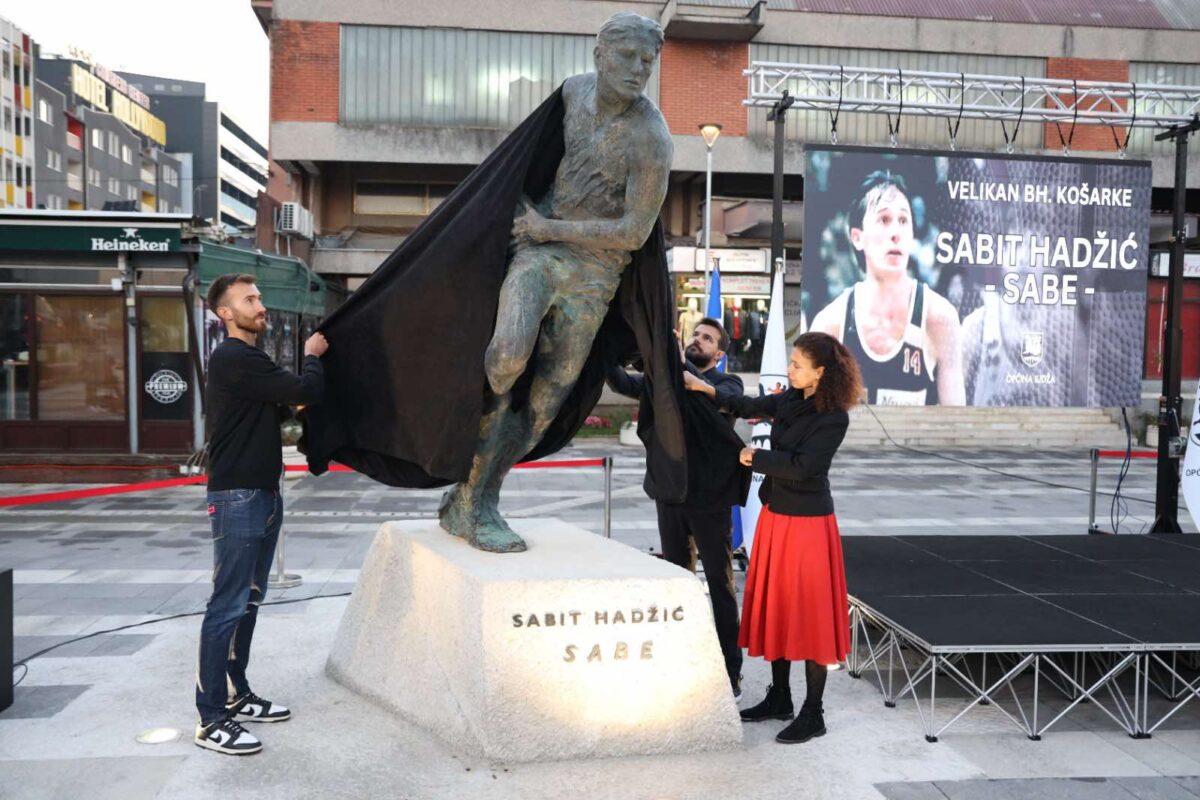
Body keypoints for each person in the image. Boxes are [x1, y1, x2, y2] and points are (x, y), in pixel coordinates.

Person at [436, 11, 673, 552]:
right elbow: (530, 156)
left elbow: (635, 231)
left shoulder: (651, 137)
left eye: (647, 60)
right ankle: (473, 492)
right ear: (599, 53)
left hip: (593, 275)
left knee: (545, 406)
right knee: (505, 355)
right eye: (627, 56)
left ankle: (477, 496)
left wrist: (550, 225)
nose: (638, 69)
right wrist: (523, 217)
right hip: (539, 253)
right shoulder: (571, 94)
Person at [684, 331, 862, 744]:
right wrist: (702, 386)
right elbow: (749, 405)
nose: (791, 369)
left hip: (808, 525)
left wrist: (755, 457)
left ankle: (813, 712)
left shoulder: (834, 416)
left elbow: (806, 467)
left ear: (821, 372)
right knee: (780, 608)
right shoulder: (791, 398)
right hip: (777, 516)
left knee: (811, 618)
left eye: (799, 364)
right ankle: (779, 697)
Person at [194, 273, 329, 756]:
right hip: (238, 497)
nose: (260, 304)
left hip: (262, 493)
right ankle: (211, 720)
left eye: (259, 296)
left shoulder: (249, 361)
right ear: (225, 314)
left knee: (248, 601)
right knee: (227, 604)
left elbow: (287, 404)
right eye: (249, 299)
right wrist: (313, 356)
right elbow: (304, 392)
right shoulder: (234, 356)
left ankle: (236, 692)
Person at [608, 317, 749, 698]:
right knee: (677, 581)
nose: (698, 341)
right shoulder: (666, 380)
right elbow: (623, 383)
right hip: (671, 497)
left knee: (720, 585)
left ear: (718, 355)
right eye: (695, 336)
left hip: (710, 501)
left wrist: (669, 357)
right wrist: (606, 350)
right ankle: (682, 658)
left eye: (707, 339)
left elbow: (705, 394)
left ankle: (730, 670)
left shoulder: (726, 385)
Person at [811, 170, 964, 406]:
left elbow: (957, 427)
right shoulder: (830, 325)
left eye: (903, 220)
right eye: (884, 219)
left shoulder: (940, 318)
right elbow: (809, 424)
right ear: (857, 237)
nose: (896, 233)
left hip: (919, 443)